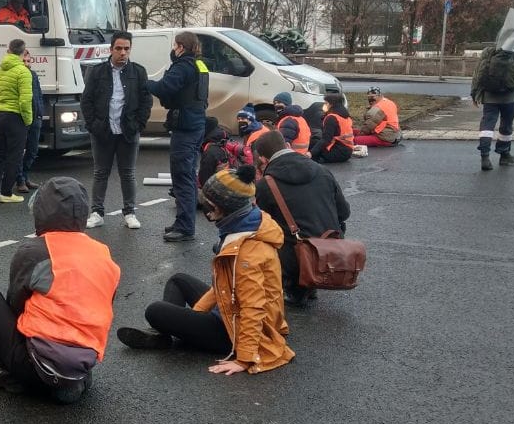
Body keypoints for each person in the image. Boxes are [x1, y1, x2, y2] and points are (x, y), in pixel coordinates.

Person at [117, 165, 294, 376]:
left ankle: (162, 335)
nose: (207, 211)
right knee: (178, 280)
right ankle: (165, 333)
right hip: (230, 309)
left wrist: (245, 359)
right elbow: (224, 285)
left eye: (210, 206)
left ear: (225, 208)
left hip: (231, 332)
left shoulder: (247, 253)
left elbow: (253, 307)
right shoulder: (248, 222)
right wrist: (192, 318)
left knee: (155, 310)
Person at [0, 177, 121, 403]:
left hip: (37, 363)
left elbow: (14, 306)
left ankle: (20, 378)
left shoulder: (34, 250)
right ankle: (72, 381)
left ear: (41, 211)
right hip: (84, 360)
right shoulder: (102, 253)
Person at [252, 129, 350, 308]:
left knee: (260, 232)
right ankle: (310, 279)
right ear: (288, 146)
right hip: (329, 249)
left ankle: (294, 285)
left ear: (263, 160)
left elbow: (259, 225)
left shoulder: (266, 184)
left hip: (296, 254)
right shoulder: (322, 170)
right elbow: (344, 213)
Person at [80, 30, 151, 230]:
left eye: (126, 49)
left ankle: (129, 212)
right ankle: (97, 212)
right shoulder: (97, 72)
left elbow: (146, 100)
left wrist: (139, 124)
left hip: (128, 130)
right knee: (100, 172)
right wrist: (93, 125)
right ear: (111, 49)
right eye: (118, 48)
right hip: (103, 130)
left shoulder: (138, 72)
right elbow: (87, 101)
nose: (122, 52)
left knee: (127, 173)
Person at [148, 31, 213, 242]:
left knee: (182, 177)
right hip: (197, 124)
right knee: (189, 176)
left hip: (185, 126)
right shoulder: (200, 65)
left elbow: (165, 88)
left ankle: (185, 227)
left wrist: (145, 83)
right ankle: (184, 221)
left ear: (181, 47)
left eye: (175, 45)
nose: (173, 49)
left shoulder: (183, 66)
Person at [471, 37, 514, 170]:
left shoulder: (489, 50)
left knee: (487, 124)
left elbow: (477, 74)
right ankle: (504, 155)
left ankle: (485, 157)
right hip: (510, 96)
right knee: (506, 124)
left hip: (490, 96)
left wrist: (474, 93)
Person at [0, 39, 34, 204]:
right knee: (14, 156)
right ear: (23, 51)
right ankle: (7, 192)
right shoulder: (23, 71)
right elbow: (25, 101)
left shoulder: (1, 69)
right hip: (16, 117)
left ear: (9, 50)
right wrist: (28, 120)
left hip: (0, 113)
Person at [15, 56, 46, 194]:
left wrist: (40, 112)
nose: (27, 64)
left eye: (29, 61)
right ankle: (20, 180)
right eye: (24, 61)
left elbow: (38, 94)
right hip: (22, 118)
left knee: (33, 150)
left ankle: (25, 176)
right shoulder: (17, 74)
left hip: (35, 117)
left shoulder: (33, 75)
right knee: (20, 150)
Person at [310, 93, 353, 164]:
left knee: (312, 143)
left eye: (326, 103)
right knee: (316, 141)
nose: (324, 105)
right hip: (347, 151)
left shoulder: (331, 118)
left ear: (331, 104)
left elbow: (326, 139)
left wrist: (311, 153)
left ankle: (318, 159)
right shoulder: (346, 116)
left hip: (336, 152)